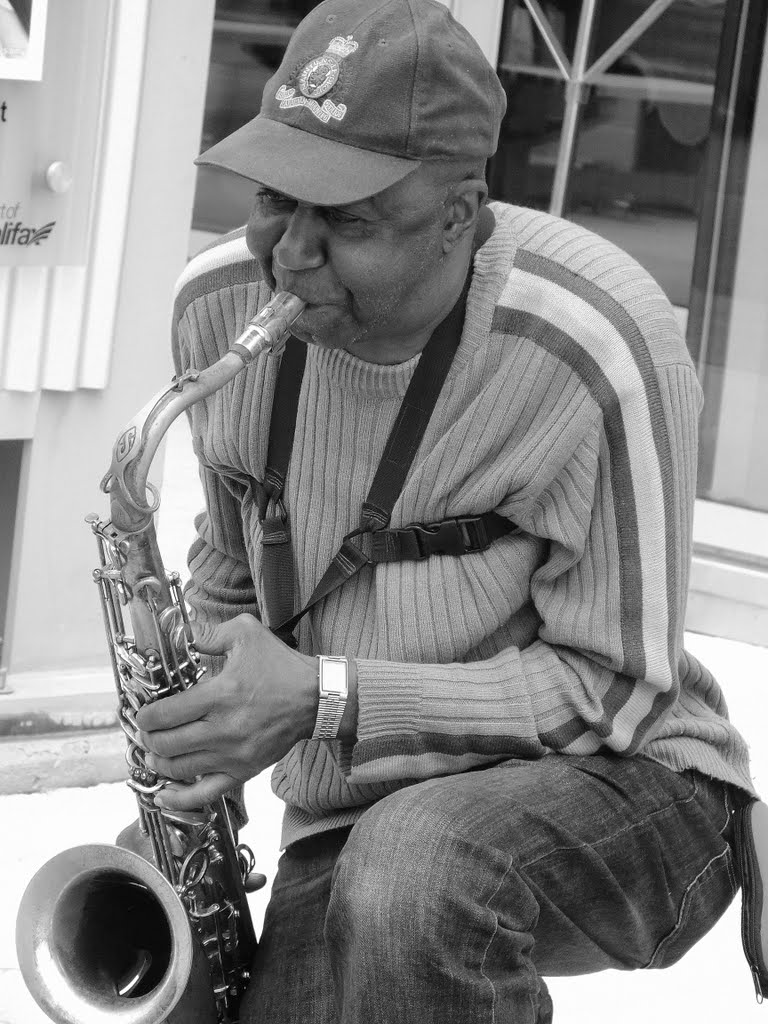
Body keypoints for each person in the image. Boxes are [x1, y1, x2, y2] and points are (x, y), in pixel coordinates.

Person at [128, 1, 758, 1021]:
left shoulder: (598, 345)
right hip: (362, 816)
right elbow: (232, 573)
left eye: (348, 220)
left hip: (635, 783)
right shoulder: (216, 308)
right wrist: (195, 759)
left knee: (413, 873)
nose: (288, 255)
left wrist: (328, 698)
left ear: (463, 215)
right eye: (275, 199)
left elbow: (616, 689)